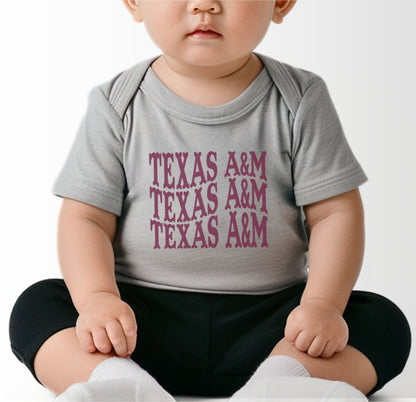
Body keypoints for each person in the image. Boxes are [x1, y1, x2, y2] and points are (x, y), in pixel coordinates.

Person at [9, 0, 411, 401]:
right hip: (139, 328)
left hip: (275, 326)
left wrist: (323, 305)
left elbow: (333, 213)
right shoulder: (117, 103)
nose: (204, 4)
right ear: (134, 2)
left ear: (281, 2)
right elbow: (87, 219)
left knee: (381, 321)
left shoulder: (300, 98)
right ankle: (118, 384)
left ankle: (285, 384)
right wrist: (98, 299)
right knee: (38, 306)